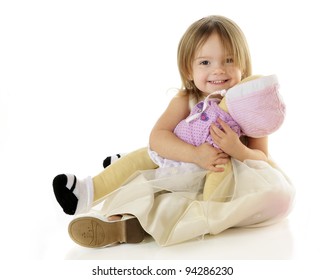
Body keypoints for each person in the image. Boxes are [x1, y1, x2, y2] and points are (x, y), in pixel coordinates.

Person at [53, 15, 294, 248]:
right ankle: (110, 214)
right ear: (188, 70)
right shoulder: (186, 99)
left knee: (269, 195)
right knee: (147, 182)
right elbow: (158, 138)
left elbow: (263, 158)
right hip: (180, 169)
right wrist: (195, 155)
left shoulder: (247, 105)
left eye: (229, 60)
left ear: (243, 63)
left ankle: (144, 223)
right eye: (205, 62)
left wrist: (237, 149)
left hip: (219, 184)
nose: (219, 70)